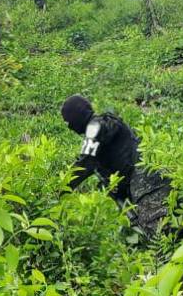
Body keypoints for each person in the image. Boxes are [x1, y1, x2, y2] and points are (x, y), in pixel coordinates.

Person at [60, 95, 172, 240]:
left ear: (76, 117)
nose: (69, 127)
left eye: (68, 121)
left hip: (146, 183)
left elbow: (85, 162)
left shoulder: (94, 127)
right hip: (156, 174)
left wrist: (60, 189)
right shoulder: (107, 124)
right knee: (174, 228)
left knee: (162, 236)